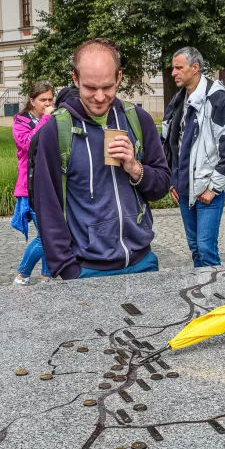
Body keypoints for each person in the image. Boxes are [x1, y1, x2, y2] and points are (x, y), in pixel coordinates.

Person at [33, 39, 171, 279]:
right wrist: (68, 269)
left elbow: (161, 186)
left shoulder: (138, 120)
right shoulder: (55, 131)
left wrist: (136, 168)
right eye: (90, 88)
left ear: (119, 78)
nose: (99, 97)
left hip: (143, 263)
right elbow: (47, 206)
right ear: (75, 79)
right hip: (87, 270)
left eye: (107, 87)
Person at [161, 47, 225, 267]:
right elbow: (169, 144)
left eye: (179, 67)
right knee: (196, 248)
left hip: (207, 190)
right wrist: (172, 181)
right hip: (184, 188)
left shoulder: (218, 101)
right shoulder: (178, 101)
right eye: (173, 68)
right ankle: (199, 294)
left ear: (195, 67)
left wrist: (213, 189)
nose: (173, 73)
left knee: (206, 249)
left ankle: (214, 296)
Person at [11, 80, 55, 284]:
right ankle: (22, 274)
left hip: (50, 184)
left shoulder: (52, 119)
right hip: (31, 187)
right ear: (32, 101)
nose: (47, 103)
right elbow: (29, 144)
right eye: (43, 99)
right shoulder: (20, 121)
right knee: (46, 235)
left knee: (51, 232)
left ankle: (46, 276)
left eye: (50, 99)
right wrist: (46, 118)